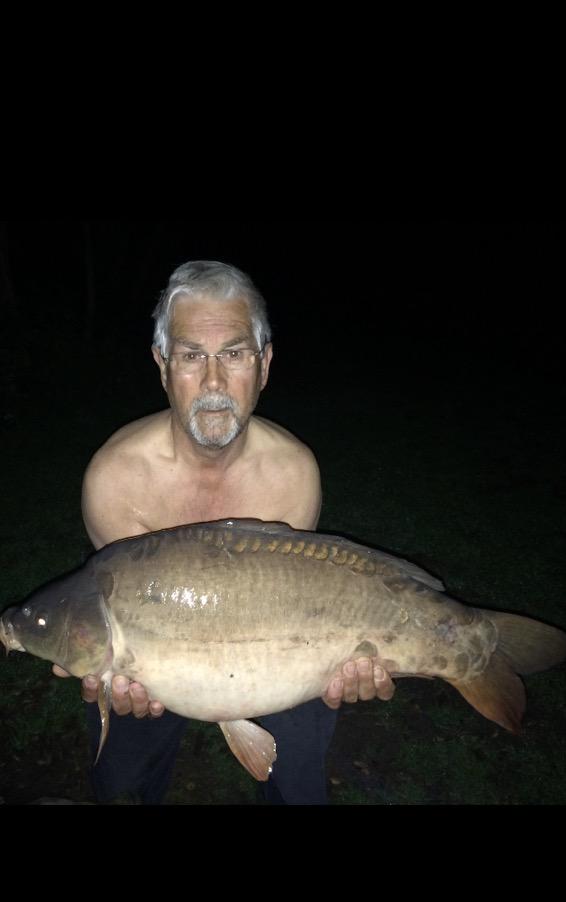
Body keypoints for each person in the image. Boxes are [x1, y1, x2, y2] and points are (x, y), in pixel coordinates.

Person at [53, 260, 396, 804]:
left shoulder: (292, 472)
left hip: (274, 637)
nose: (214, 382)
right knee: (118, 780)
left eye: (233, 354)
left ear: (263, 365)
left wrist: (344, 660)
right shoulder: (115, 479)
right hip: (158, 651)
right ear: (162, 364)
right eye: (192, 356)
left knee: (301, 778)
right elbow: (125, 618)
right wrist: (125, 672)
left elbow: (294, 608)